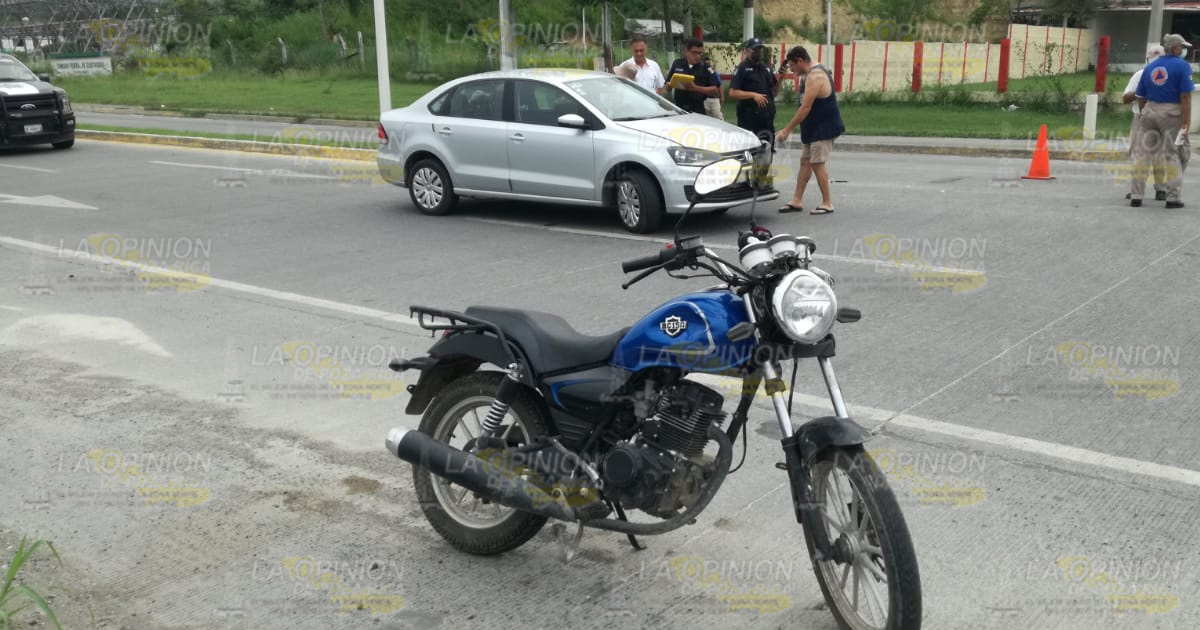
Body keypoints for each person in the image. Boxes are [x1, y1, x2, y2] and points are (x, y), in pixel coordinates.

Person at [776, 46, 845, 215]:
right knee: (805, 162)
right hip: (812, 126)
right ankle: (797, 200)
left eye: (792, 65)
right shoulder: (808, 73)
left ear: (800, 61)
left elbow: (805, 107)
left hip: (824, 127)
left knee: (817, 163)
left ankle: (827, 203)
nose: (791, 70)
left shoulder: (815, 76)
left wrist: (787, 130)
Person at [1130, 33, 1194, 208]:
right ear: (1176, 48)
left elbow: (1141, 96)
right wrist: (1186, 121)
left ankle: (1136, 195)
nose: (1184, 51)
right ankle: (1172, 198)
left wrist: (1145, 113)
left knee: (1142, 155)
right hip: (1172, 113)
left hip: (1149, 111)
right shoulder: (1182, 66)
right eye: (1182, 47)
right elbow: (1185, 96)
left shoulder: (1150, 67)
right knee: (1173, 155)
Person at [728, 38, 785, 150]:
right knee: (750, 151)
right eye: (755, 49)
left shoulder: (766, 68)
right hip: (749, 119)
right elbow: (732, 93)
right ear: (747, 51)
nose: (758, 52)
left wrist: (781, 79)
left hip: (766, 120)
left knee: (767, 152)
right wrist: (753, 95)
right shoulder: (742, 69)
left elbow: (774, 92)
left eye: (760, 49)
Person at [665, 38, 721, 115]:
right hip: (679, 108)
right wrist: (669, 86)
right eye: (694, 53)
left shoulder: (706, 67)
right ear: (686, 51)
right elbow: (667, 84)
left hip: (698, 108)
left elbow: (715, 90)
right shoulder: (677, 63)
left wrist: (696, 88)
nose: (697, 56)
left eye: (700, 53)